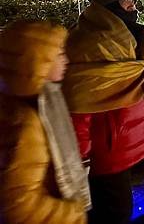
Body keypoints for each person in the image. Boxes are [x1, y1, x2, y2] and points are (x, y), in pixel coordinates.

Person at [62, 0, 144, 224]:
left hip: (119, 145)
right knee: (114, 213)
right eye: (128, 4)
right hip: (104, 153)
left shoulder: (130, 36)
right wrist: (80, 159)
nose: (134, 10)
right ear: (109, 7)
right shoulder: (88, 43)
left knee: (115, 209)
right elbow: (79, 101)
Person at [0, 20, 90, 224]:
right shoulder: (27, 123)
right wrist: (73, 213)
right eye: (59, 54)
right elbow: (18, 206)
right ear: (35, 63)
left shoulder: (15, 102)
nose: (66, 60)